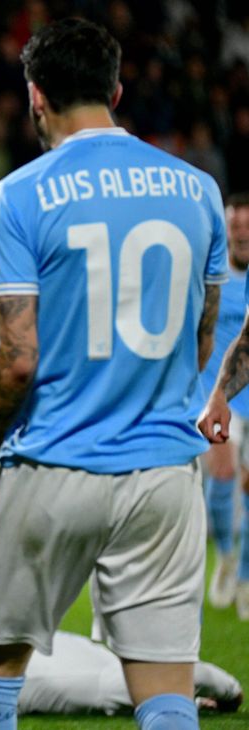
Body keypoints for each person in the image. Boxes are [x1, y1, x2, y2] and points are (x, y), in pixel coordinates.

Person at [0, 18, 227, 730]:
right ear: (116, 91)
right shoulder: (198, 191)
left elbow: (17, 357)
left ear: (35, 95)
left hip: (54, 465)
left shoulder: (20, 195)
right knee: (165, 689)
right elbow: (202, 336)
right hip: (165, 474)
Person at [0, 626, 243, 717]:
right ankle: (197, 700)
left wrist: (228, 690)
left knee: (124, 684)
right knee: (126, 681)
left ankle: (218, 690)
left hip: (4, 673)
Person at [199, 193, 249, 620]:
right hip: (217, 394)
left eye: (248, 226)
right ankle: (227, 554)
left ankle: (245, 577)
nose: (242, 233)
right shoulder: (210, 275)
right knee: (223, 474)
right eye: (236, 225)